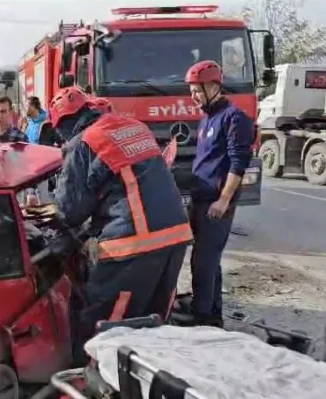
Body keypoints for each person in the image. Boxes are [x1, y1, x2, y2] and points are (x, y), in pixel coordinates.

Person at [49, 86, 193, 366]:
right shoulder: (132, 126)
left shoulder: (84, 142)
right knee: (153, 325)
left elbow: (70, 210)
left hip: (134, 245)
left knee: (103, 327)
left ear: (64, 124)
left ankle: (91, 383)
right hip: (175, 236)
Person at [177, 61, 255, 327]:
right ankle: (213, 314)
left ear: (213, 86)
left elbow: (238, 163)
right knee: (210, 261)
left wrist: (223, 200)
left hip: (216, 202)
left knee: (203, 262)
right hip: (201, 198)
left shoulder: (234, 118)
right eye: (191, 91)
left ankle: (201, 317)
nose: (193, 97)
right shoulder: (207, 117)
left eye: (197, 91)